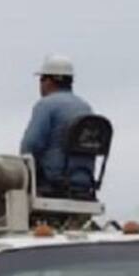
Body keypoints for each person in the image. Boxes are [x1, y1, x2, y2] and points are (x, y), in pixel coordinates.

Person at [20, 54, 95, 196]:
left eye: (42, 79)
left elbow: (29, 146)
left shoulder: (45, 105)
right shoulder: (86, 108)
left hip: (52, 182)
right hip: (85, 183)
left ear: (48, 81)